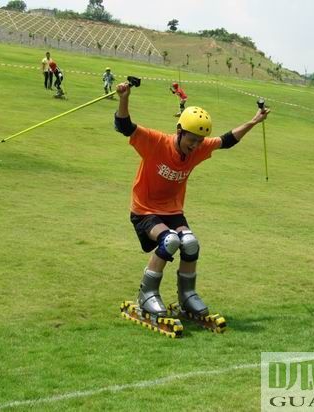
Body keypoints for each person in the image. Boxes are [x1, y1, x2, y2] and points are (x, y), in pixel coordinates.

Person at [114, 81, 270, 318]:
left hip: (173, 211)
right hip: (145, 210)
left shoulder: (199, 148)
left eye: (200, 140)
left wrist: (254, 121)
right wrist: (124, 98)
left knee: (190, 243)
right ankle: (147, 294)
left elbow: (227, 140)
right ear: (179, 131)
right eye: (192, 139)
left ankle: (187, 295)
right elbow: (124, 126)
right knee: (170, 241)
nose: (196, 145)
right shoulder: (156, 142)